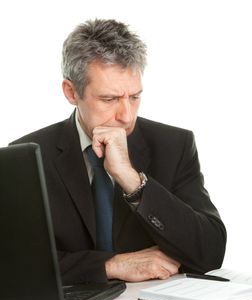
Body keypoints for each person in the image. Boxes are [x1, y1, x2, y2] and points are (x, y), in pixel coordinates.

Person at [11, 19, 226, 285]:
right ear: (71, 91)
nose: (126, 116)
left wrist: (133, 181)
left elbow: (211, 252)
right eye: (109, 99)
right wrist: (112, 265)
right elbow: (15, 266)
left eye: (134, 97)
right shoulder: (27, 156)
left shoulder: (174, 145)